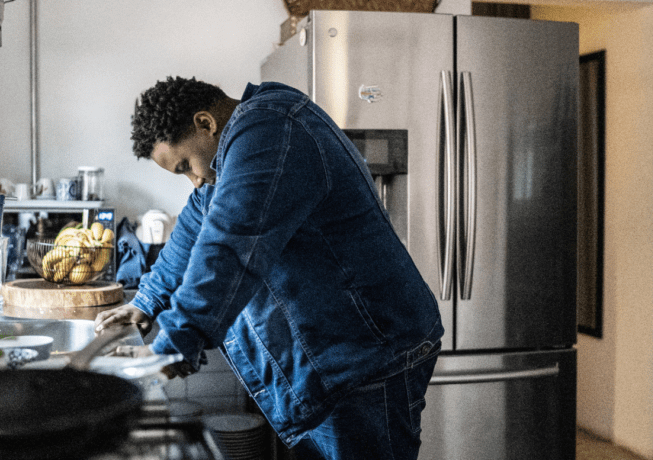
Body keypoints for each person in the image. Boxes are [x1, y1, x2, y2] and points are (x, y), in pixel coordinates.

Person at [96, 76, 443, 460]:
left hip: (367, 359)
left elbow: (230, 245)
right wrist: (145, 301)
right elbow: (194, 227)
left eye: (185, 166)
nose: (194, 181)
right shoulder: (235, 149)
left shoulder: (270, 129)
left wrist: (173, 347)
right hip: (336, 361)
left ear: (205, 123)